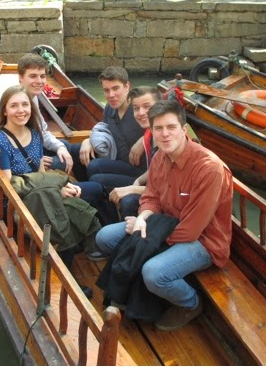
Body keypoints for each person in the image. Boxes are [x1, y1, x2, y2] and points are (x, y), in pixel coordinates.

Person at [95, 100, 233, 331]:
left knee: (153, 273)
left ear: (184, 129)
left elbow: (191, 230)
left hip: (203, 241)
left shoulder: (209, 168)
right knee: (104, 237)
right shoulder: (160, 157)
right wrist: (142, 219)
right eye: (158, 129)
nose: (165, 134)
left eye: (171, 127)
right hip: (163, 225)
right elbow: (152, 197)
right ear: (151, 131)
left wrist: (145, 236)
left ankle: (190, 303)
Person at [0, 85, 102, 207]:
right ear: (4, 111)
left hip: (41, 190)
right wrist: (55, 191)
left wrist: (60, 185)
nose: (21, 110)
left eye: (25, 105)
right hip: (21, 203)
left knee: (96, 189)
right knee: (94, 191)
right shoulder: (0, 142)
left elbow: (42, 173)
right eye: (14, 106)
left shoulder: (35, 134)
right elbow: (10, 188)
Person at [0, 54, 73, 175]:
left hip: (25, 147)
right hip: (12, 161)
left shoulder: (32, 97)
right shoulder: (2, 108)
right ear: (20, 77)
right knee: (61, 162)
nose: (39, 81)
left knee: (65, 146)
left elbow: (41, 131)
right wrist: (33, 159)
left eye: (42, 76)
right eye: (33, 76)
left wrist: (59, 147)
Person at [68, 67, 146, 192]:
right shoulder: (109, 108)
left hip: (140, 171)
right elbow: (104, 131)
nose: (111, 95)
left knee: (95, 171)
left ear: (127, 86)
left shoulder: (139, 110)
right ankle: (87, 192)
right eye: (106, 90)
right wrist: (88, 140)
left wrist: (144, 139)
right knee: (76, 150)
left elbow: (163, 125)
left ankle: (92, 192)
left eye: (115, 89)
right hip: (117, 159)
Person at [108, 87, 161, 218]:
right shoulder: (149, 133)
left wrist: (131, 189)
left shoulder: (167, 140)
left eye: (147, 106)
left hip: (169, 201)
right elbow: (155, 168)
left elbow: (168, 189)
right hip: (154, 187)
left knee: (128, 201)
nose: (140, 113)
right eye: (136, 108)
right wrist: (137, 182)